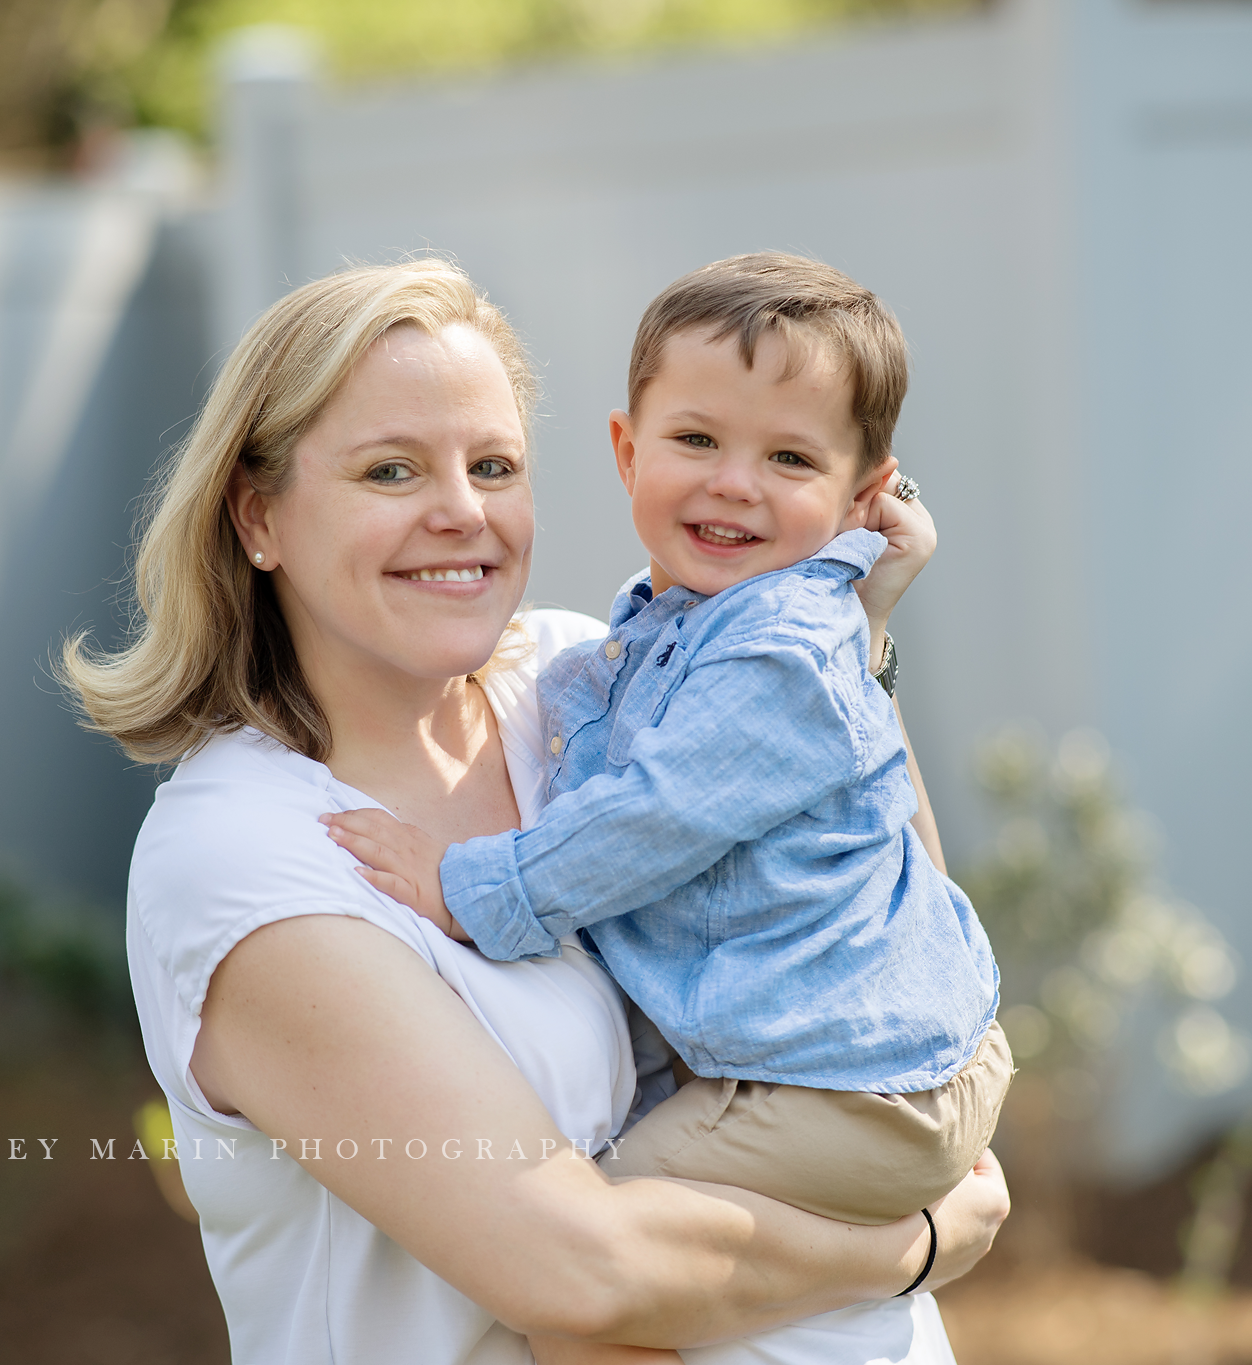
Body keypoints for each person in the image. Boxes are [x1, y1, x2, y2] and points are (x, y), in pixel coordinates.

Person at [61, 258, 1008, 1365]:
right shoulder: (240, 853)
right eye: (390, 470)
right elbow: (581, 1273)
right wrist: (915, 1240)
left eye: (492, 465)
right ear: (258, 514)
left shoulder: (584, 682)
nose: (459, 512)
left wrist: (853, 642)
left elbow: (896, 916)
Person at [325, 254, 1010, 1242]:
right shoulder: (673, 627)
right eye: (695, 439)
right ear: (625, 448)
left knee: (577, 1252)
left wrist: (471, 889)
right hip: (862, 1067)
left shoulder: (778, 648)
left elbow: (652, 817)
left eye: (789, 460)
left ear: (864, 494)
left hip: (841, 1088)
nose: (732, 486)